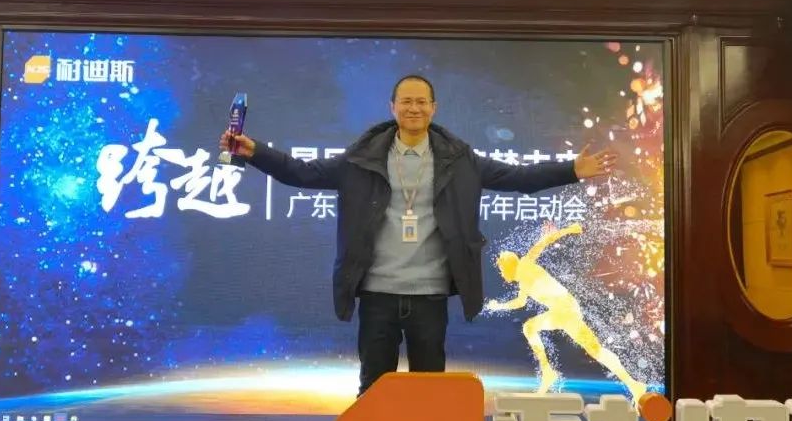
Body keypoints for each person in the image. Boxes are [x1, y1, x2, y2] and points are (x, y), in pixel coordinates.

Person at [219, 74, 616, 397]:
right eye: (406, 101)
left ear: (433, 108)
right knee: (374, 390)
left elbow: (518, 178)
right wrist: (256, 152)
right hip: (377, 294)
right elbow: (302, 173)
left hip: (430, 296)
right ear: (392, 107)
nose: (414, 108)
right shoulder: (361, 160)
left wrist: (571, 170)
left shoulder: (459, 160)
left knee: (429, 391)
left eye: (421, 101)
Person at [487, 222, 647, 401]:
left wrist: (570, 229)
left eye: (501, 269)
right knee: (532, 328)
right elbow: (520, 302)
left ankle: (633, 384)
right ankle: (548, 372)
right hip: (562, 312)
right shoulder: (523, 282)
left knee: (594, 349)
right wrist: (498, 306)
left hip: (566, 310)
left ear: (509, 267)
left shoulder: (525, 263)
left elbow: (544, 242)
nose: (501, 274)